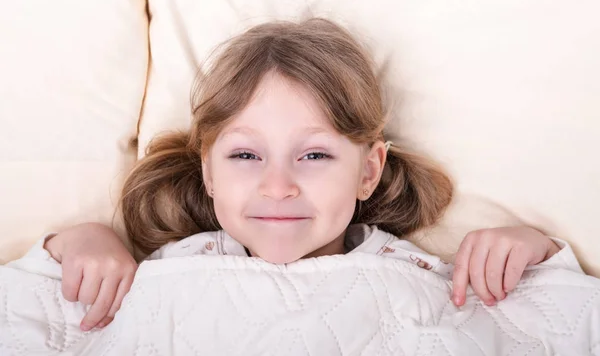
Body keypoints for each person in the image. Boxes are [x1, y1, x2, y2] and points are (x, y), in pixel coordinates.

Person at [10, 18, 583, 333]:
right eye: (244, 156)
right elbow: (36, 313)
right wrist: (79, 243)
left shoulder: (424, 276)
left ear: (369, 170)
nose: (278, 185)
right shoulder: (165, 272)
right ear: (207, 170)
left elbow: (556, 324)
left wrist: (531, 251)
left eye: (313, 156)